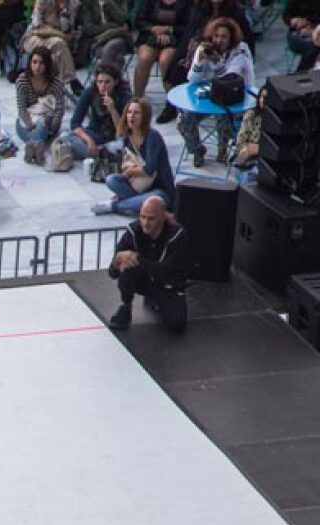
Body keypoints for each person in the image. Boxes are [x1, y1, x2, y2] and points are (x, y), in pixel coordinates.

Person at [107, 195, 190, 331]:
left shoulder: (177, 237)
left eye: (151, 218)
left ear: (163, 217)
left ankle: (156, 300)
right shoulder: (133, 232)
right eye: (143, 217)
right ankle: (126, 305)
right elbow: (112, 273)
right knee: (127, 264)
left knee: (176, 324)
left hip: (168, 284)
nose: (145, 223)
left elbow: (166, 272)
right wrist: (118, 261)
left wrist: (137, 258)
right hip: (142, 279)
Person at [177, 17, 252, 166]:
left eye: (224, 37)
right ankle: (197, 150)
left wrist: (218, 62)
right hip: (208, 96)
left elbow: (229, 81)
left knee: (223, 116)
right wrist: (198, 62)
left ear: (231, 38)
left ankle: (223, 149)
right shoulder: (205, 48)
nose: (219, 40)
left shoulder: (241, 50)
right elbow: (191, 79)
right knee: (183, 119)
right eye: (216, 36)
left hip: (233, 97)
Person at [92, 98, 174, 216]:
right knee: (111, 180)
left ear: (144, 116)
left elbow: (149, 169)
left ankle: (115, 206)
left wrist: (130, 171)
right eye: (129, 112)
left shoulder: (153, 136)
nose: (131, 116)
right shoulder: (128, 137)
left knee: (157, 197)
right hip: (138, 187)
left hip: (158, 190)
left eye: (136, 113)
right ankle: (137, 204)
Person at [14, 47, 66, 165]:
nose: (37, 67)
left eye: (41, 63)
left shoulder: (56, 83)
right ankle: (37, 148)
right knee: (37, 129)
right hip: (27, 120)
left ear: (47, 65)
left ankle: (31, 148)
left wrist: (50, 129)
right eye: (34, 62)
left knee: (42, 126)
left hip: (49, 121)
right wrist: (31, 125)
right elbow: (21, 108)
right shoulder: (22, 81)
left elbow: (59, 109)